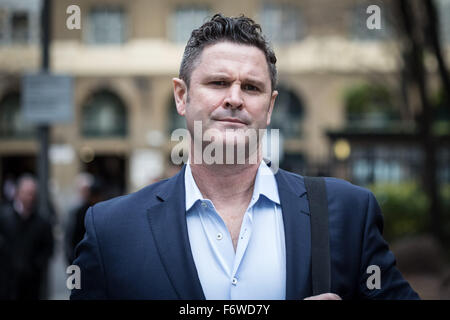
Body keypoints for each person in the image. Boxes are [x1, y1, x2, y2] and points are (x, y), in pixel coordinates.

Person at [71, 14, 419, 300]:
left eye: (251, 87)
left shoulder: (348, 213)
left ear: (269, 107)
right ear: (181, 96)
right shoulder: (112, 231)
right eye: (219, 83)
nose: (235, 98)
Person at [0, 174, 54, 300]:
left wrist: (35, 266)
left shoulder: (42, 222)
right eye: (27, 193)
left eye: (33, 193)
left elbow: (48, 249)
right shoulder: (4, 217)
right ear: (18, 193)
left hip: (31, 284)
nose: (30, 197)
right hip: (6, 282)